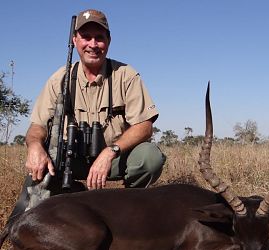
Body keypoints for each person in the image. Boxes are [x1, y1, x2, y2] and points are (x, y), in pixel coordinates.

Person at [8, 9, 165, 223]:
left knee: (150, 157)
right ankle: (36, 215)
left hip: (114, 158)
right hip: (73, 160)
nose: (93, 44)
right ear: (74, 40)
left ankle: (129, 209)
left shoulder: (126, 75)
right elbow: (38, 126)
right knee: (39, 172)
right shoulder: (59, 79)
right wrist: (34, 146)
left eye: (99, 38)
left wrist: (110, 152)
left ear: (108, 41)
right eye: (86, 37)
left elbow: (145, 126)